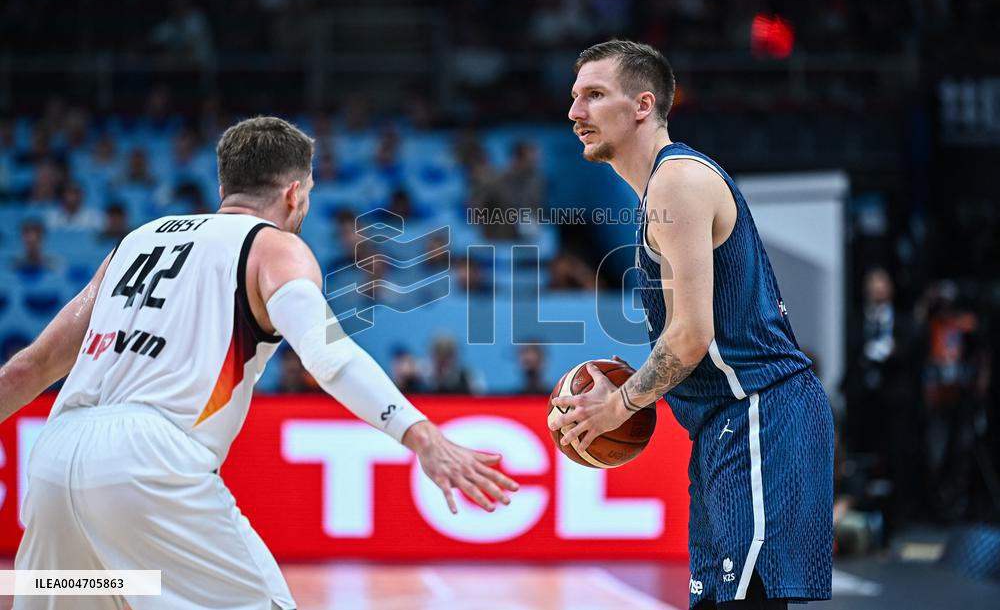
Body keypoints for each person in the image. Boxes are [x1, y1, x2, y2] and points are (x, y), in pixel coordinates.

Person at [0, 116, 518, 610]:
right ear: (294, 193)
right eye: (308, 193)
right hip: (150, 460)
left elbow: (32, 366)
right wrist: (421, 435)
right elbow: (328, 355)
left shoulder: (137, 242)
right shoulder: (273, 247)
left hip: (52, 459)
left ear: (224, 185)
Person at [550, 40, 833, 609]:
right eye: (575, 96)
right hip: (724, 424)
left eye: (595, 95)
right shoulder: (658, 191)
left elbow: (691, 336)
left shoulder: (677, 181)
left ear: (642, 105)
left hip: (760, 412)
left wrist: (619, 404)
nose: (576, 111)